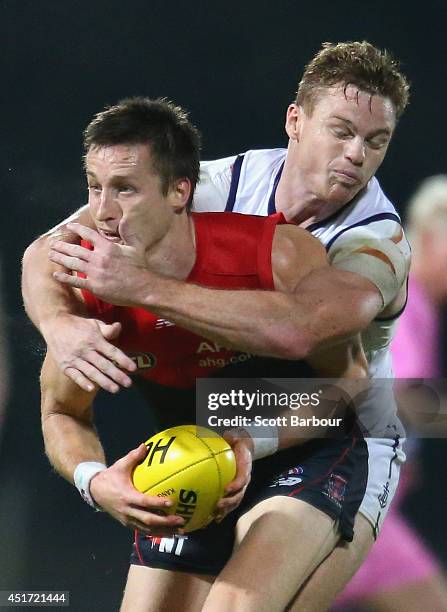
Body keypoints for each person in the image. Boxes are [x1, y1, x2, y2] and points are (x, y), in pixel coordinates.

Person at [23, 41, 411, 609]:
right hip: (216, 419)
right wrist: (61, 326)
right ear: (295, 121)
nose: (356, 154)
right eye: (341, 130)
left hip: (338, 418)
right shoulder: (208, 185)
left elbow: (300, 335)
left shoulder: (376, 244)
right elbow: (48, 249)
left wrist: (143, 288)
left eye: (375, 141)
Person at [332, 176, 447, 611]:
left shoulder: (415, 300)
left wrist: (407, 458)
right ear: (432, 236)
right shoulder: (405, 297)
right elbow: (394, 397)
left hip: (359, 499)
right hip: (353, 499)